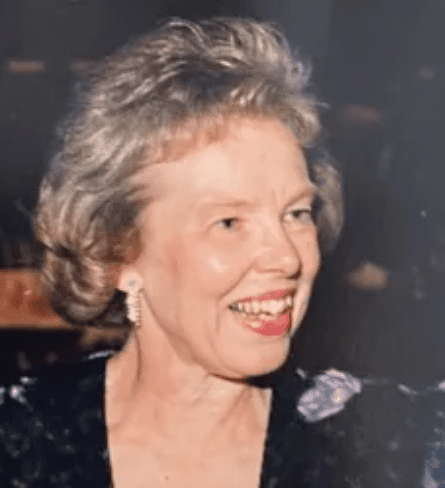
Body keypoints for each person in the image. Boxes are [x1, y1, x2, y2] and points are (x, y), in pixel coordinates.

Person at [0, 17, 440, 488]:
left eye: (296, 213)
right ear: (118, 253)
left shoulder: (401, 449)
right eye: (229, 222)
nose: (288, 258)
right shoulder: (18, 444)